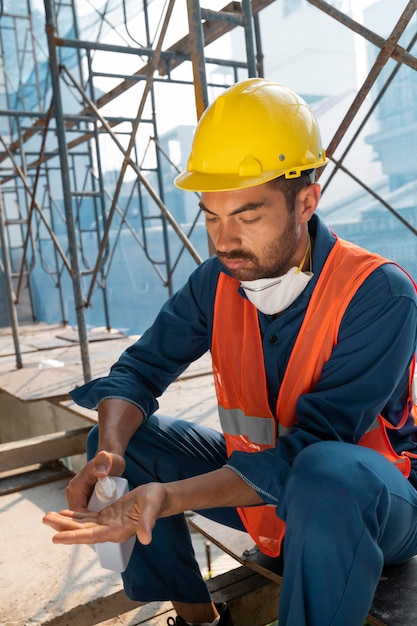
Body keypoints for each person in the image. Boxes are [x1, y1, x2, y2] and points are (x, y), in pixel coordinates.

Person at [43, 78, 417, 626]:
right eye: (212, 216)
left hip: (368, 507)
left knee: (326, 472)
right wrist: (114, 452)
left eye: (246, 216)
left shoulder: (377, 293)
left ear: (306, 202)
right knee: (121, 432)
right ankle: (198, 621)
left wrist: (168, 496)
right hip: (261, 496)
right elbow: (140, 369)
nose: (224, 240)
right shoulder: (216, 281)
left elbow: (309, 451)